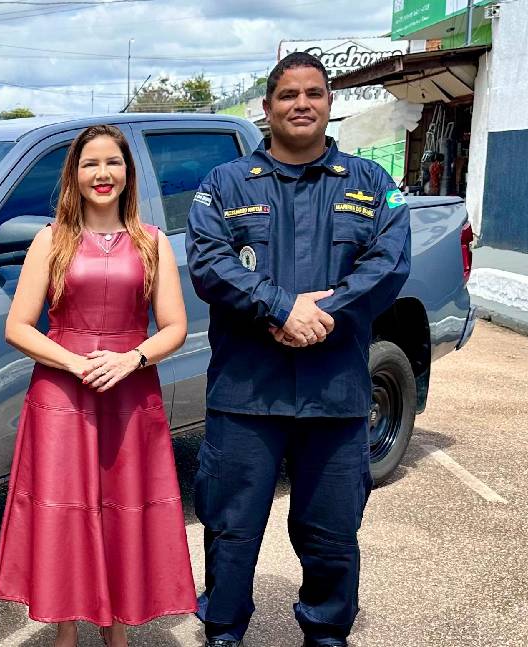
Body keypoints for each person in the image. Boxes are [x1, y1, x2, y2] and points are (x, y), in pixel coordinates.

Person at [185, 52, 411, 647]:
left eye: (314, 93)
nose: (302, 103)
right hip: (245, 396)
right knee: (231, 532)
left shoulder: (371, 184)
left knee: (332, 534)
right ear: (267, 108)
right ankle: (225, 633)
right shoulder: (225, 185)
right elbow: (209, 264)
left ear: (330, 103)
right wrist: (280, 307)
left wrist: (319, 312)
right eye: (288, 95)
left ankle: (326, 635)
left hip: (335, 399)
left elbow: (388, 266)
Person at [0, 125, 196, 647]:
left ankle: (118, 629)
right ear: (74, 175)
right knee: (66, 510)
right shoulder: (50, 240)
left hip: (131, 393)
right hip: (62, 396)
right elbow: (17, 327)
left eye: (113, 163)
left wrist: (132, 359)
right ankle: (66, 628)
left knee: (123, 507)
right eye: (90, 164)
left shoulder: (153, 243)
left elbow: (175, 326)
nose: (102, 174)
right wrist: (76, 364)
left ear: (127, 172)